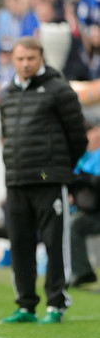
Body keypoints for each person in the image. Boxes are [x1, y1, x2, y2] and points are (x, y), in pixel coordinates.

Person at [0, 36, 87, 325]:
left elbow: (78, 137)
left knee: (54, 244)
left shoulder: (59, 90)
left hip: (49, 180)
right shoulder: (7, 93)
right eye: (20, 59)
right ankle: (25, 305)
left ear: (41, 58)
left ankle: (56, 305)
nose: (25, 64)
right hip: (16, 180)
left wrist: (59, 169)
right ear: (13, 59)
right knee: (20, 244)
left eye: (31, 59)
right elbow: (6, 137)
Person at [69, 114, 100, 289]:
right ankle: (82, 273)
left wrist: (84, 180)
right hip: (92, 211)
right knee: (72, 226)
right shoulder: (83, 157)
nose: (94, 134)